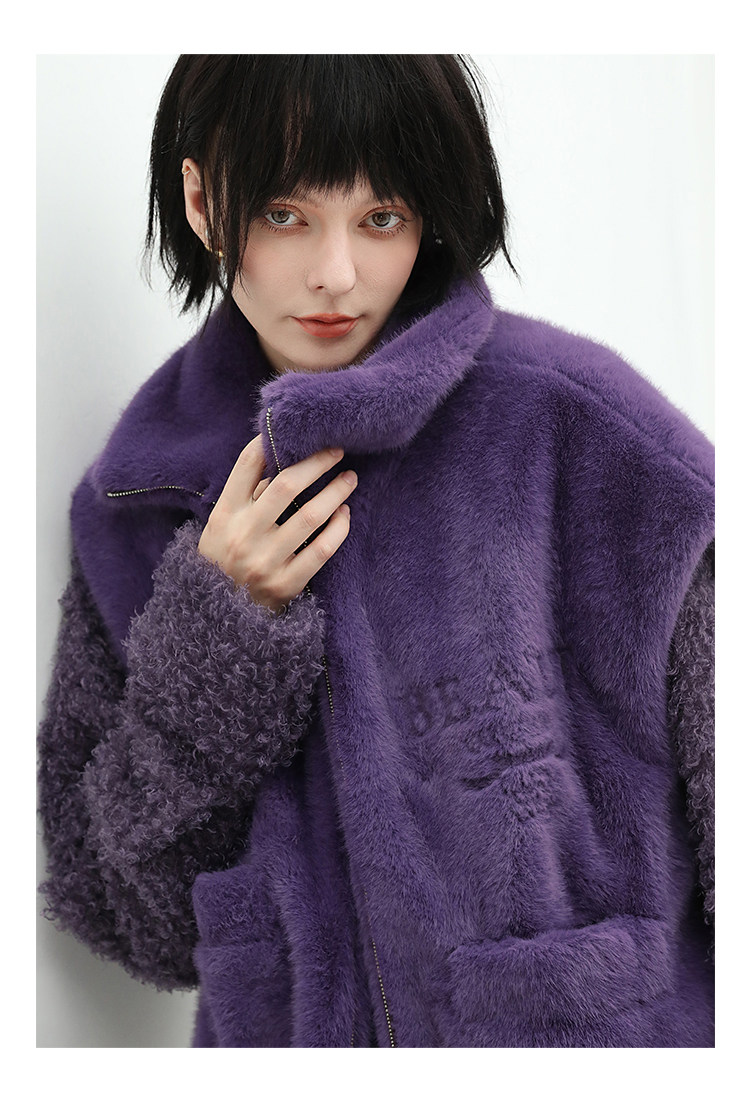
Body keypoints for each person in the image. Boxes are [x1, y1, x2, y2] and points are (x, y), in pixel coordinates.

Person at [37, 54, 714, 1048]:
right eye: (284, 213)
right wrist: (217, 634)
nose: (337, 274)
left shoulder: (588, 434)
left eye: (382, 217)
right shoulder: (137, 499)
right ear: (202, 201)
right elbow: (129, 922)